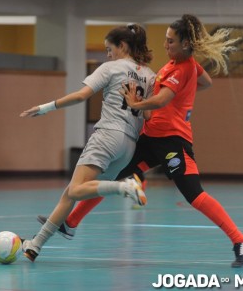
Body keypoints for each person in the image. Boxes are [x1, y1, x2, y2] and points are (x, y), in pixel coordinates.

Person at [40, 14, 243, 268]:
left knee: (194, 194)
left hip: (173, 141)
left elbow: (162, 100)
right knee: (113, 175)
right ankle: (71, 223)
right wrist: (185, 95)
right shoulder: (184, 65)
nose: (166, 45)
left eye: (171, 41)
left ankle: (241, 239)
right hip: (150, 137)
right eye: (166, 40)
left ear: (186, 44)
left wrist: (137, 103)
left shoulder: (181, 67)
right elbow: (205, 83)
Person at [19, 23, 156, 262]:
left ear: (122, 46)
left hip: (107, 136)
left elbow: (81, 95)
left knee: (75, 189)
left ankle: (125, 187)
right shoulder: (149, 75)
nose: (107, 54)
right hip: (128, 145)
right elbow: (148, 115)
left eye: (109, 48)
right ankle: (35, 246)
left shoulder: (112, 67)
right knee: (71, 193)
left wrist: (46, 107)